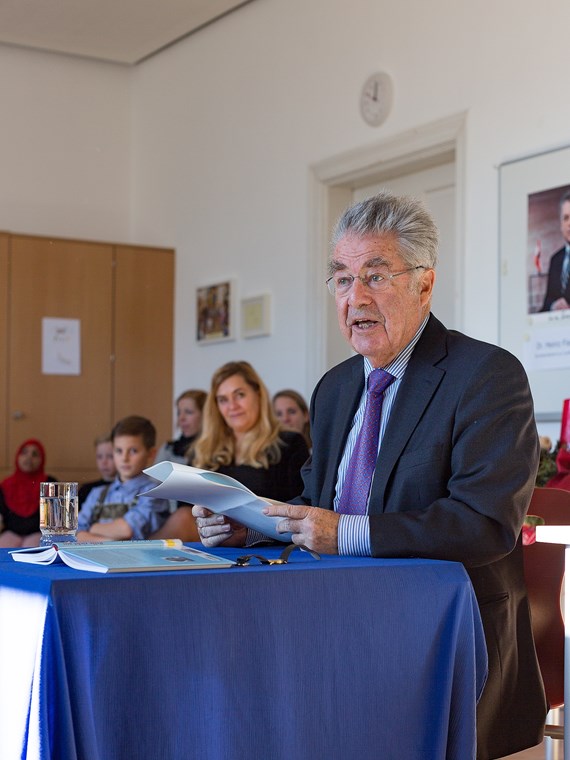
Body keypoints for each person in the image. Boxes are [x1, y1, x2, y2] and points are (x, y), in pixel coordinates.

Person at [193, 191, 547, 759]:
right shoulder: (335, 388)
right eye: (341, 278)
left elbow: (483, 524)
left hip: (446, 640)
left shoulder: (487, 375)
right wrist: (251, 526)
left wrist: (344, 534)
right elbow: (314, 503)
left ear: (424, 285)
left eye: (376, 276)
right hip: (330, 625)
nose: (354, 296)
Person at [153, 361, 309, 542]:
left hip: (262, 541)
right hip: (205, 539)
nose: (232, 406)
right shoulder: (204, 448)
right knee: (183, 517)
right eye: (223, 400)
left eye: (240, 395)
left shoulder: (289, 443)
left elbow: (299, 506)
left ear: (258, 394)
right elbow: (186, 506)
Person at [76, 415, 169, 542]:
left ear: (151, 454)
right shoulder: (97, 494)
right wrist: (109, 540)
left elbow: (127, 530)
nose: (124, 458)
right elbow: (75, 533)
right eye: (118, 451)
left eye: (133, 451)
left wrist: (92, 528)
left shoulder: (155, 492)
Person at [0, 439, 56, 548]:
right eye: (24, 452)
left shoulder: (50, 483)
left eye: (35, 454)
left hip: (39, 533)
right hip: (11, 533)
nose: (29, 457)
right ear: (18, 457)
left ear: (42, 460)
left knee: (32, 549)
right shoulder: (6, 485)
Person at [155, 389, 207, 464]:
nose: (181, 418)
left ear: (205, 415)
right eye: (179, 413)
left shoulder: (217, 451)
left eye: (189, 412)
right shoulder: (168, 449)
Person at [540, 189, 570, 311]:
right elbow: (547, 302)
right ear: (561, 225)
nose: (569, 223)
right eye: (566, 218)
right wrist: (553, 306)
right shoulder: (555, 259)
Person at [78, 434, 117, 508]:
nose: (104, 462)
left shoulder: (127, 489)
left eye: (110, 456)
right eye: (99, 456)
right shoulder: (86, 490)